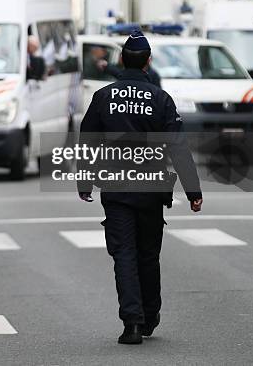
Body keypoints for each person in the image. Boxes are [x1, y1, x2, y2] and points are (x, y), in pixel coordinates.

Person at [78, 28, 202, 345]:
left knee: (124, 255)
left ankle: (132, 323)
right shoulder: (160, 99)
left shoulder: (104, 97)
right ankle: (149, 316)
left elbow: (88, 141)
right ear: (148, 62)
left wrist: (84, 181)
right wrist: (193, 191)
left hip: (117, 190)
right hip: (151, 189)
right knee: (148, 255)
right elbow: (178, 146)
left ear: (122, 60)